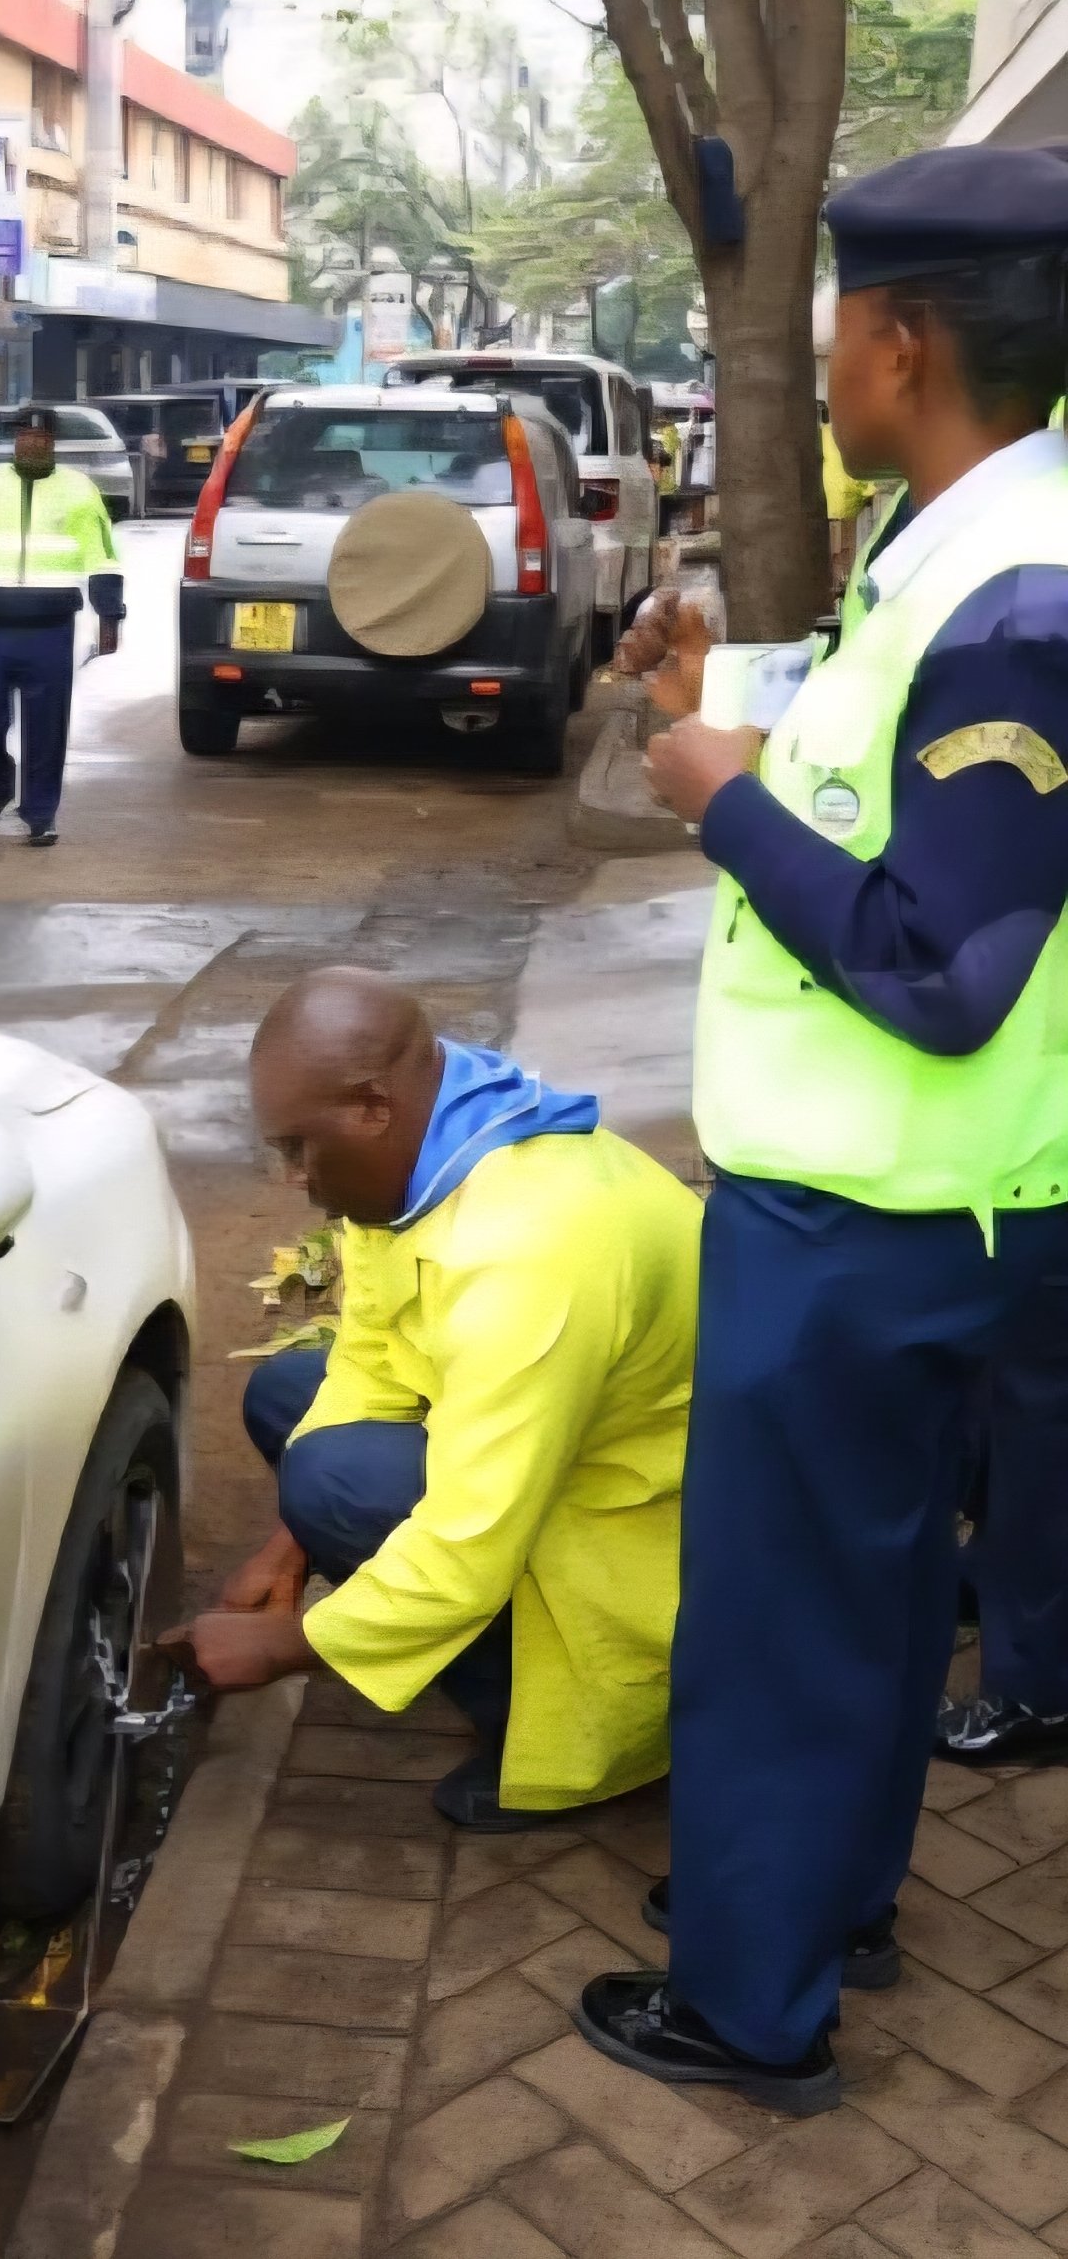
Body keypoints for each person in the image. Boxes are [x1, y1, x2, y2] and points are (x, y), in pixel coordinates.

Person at [588, 142, 1068, 2115]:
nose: (818, 356)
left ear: (901, 341)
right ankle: (814, 1901)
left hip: (870, 1209)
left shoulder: (1013, 599)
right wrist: (730, 718)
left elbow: (942, 962)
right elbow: (900, 817)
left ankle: (750, 2001)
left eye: (835, 321)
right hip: (918, 1201)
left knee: (785, 1614)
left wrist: (721, 800)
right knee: (863, 1597)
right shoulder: (961, 544)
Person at [167, 970, 697, 1841]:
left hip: (649, 1529)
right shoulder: (430, 1149)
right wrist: (287, 1548)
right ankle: (442, 1635)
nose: (293, 1177)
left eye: (299, 1148)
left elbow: (469, 1544)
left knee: (337, 1477)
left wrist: (291, 1646)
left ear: (373, 1106)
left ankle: (579, 1737)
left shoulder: (529, 1252)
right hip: (559, 1440)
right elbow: (373, 1360)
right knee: (290, 1397)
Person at [0, 404, 125, 847]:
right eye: (24, 438)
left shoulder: (79, 490)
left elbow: (102, 558)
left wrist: (109, 614)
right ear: (15, 441)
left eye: (41, 438)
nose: (32, 444)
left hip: (51, 630)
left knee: (46, 728)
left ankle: (40, 813)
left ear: (53, 443)